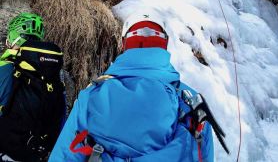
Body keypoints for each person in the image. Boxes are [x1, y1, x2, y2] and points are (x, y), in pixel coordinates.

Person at [49, 11, 228, 162]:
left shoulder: (92, 93)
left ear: (123, 44)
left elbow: (64, 154)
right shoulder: (190, 100)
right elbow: (203, 154)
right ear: (164, 45)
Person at [0, 13, 65, 162]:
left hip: (6, 151)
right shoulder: (53, 73)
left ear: (13, 38)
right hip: (37, 153)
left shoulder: (5, 68)